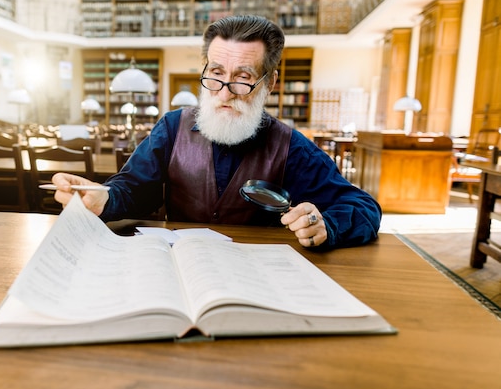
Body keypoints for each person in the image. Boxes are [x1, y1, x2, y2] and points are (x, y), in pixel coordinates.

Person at [52, 15, 381, 249]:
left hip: (257, 275)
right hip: (178, 266)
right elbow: (136, 189)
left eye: (242, 77)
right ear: (205, 69)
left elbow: (364, 207)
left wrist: (327, 225)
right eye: (217, 73)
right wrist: (103, 198)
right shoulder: (171, 127)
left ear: (270, 83)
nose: (224, 93)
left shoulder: (290, 146)